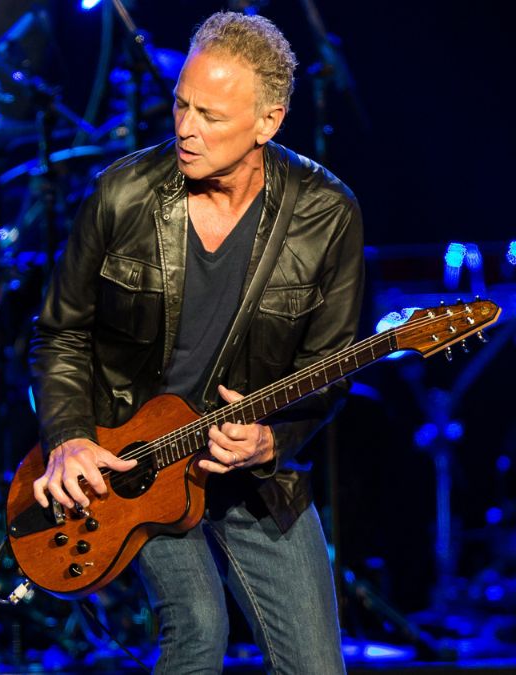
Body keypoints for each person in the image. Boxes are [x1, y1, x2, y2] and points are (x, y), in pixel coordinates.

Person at [29, 11, 363, 673]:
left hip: (251, 475)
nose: (185, 127)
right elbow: (60, 332)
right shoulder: (124, 193)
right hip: (134, 458)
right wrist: (68, 436)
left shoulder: (327, 213)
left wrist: (273, 442)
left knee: (318, 666)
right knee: (199, 628)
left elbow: (328, 369)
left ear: (268, 122)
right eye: (181, 104)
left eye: (210, 115)